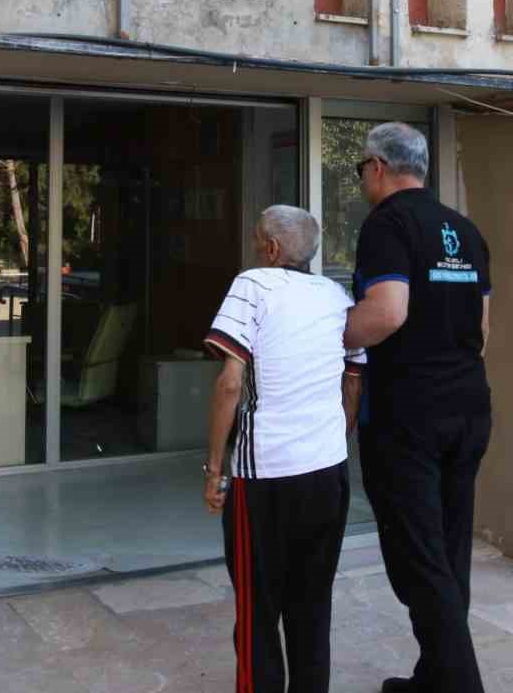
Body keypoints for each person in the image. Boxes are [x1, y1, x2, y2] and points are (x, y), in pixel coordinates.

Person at [343, 122, 492, 693]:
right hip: (468, 406)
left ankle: (460, 685)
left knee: (417, 560)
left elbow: (386, 312)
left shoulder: (388, 223)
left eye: (362, 168)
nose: (363, 179)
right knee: (449, 552)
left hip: (409, 414)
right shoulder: (466, 230)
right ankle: (435, 678)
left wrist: (327, 334)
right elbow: (482, 329)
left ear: (378, 167)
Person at [203, 205, 365, 693]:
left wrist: (215, 469)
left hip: (264, 478)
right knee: (312, 602)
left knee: (257, 606)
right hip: (328, 474)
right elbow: (353, 381)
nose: (256, 248)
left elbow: (230, 384)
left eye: (258, 239)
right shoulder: (336, 295)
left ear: (272, 248)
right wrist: (333, 440)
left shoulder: (252, 285)